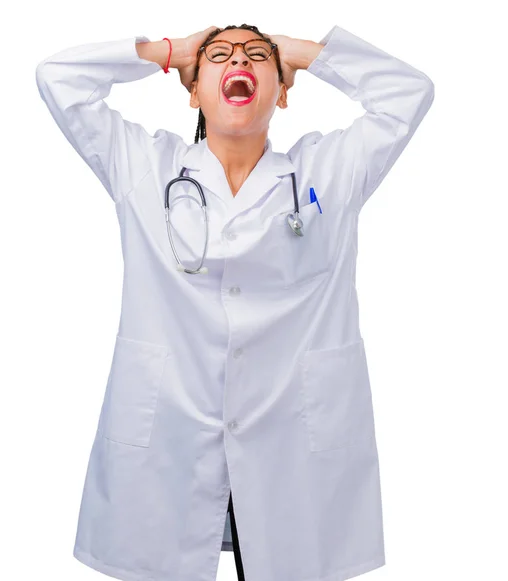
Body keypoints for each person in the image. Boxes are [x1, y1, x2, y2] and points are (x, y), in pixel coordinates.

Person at [35, 23, 434, 581]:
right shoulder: (145, 167)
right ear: (195, 91)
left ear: (282, 90)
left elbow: (408, 94)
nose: (237, 61)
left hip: (292, 444)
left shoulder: (327, 174)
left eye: (256, 56)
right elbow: (58, 79)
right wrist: (167, 53)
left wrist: (304, 53)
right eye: (218, 57)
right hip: (171, 441)